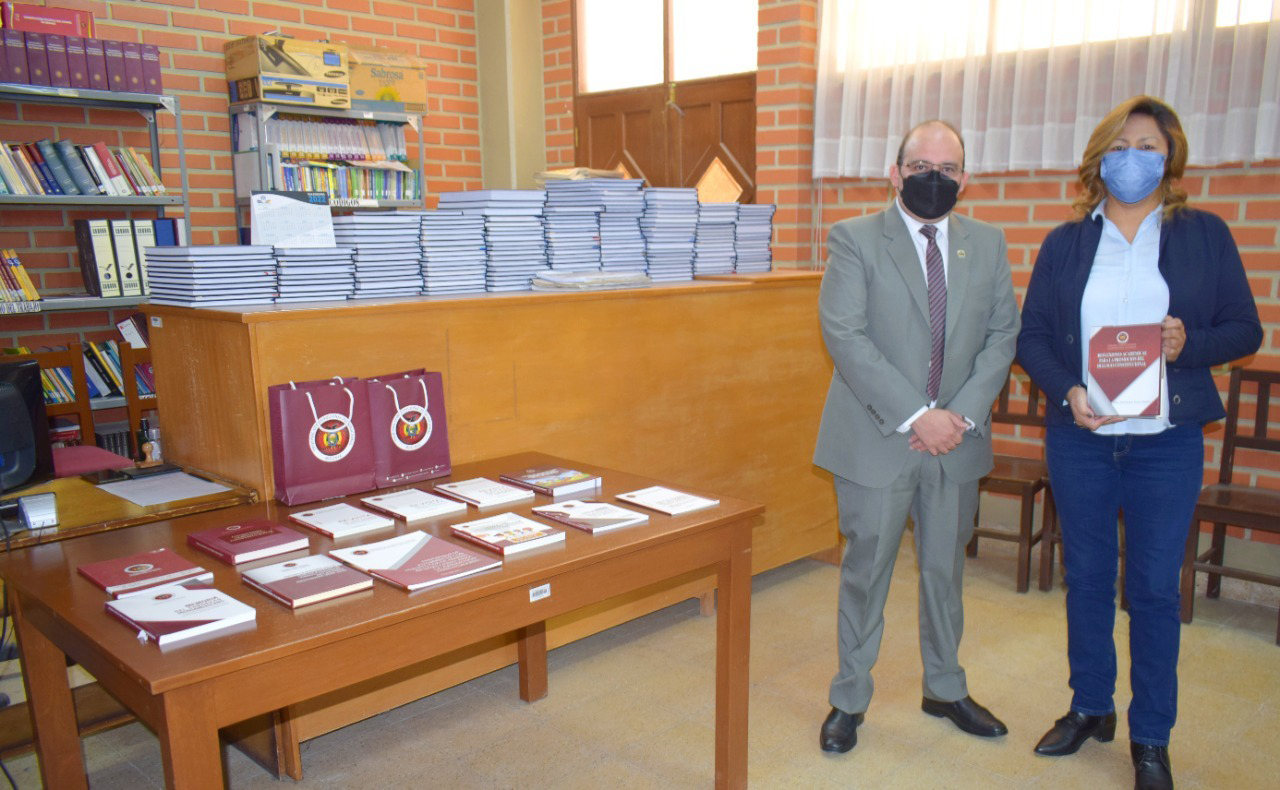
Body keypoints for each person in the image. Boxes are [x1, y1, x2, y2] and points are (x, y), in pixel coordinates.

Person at [1017, 96, 1262, 790]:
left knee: (1153, 590)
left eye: (1149, 146)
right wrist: (1067, 389)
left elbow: (1245, 329)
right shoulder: (1066, 242)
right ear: (1100, 159)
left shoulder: (1204, 235)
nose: (1134, 157)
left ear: (1170, 156)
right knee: (1088, 579)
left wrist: (1190, 344)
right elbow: (1032, 336)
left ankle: (1151, 735)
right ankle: (1090, 706)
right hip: (1083, 441)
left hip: (1165, 445)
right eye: (1121, 146)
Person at [813, 120, 1019, 753]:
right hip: (879, 436)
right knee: (866, 571)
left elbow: (1001, 336)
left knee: (944, 571)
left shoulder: (987, 243)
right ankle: (849, 698)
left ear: (966, 177)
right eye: (921, 165)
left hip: (957, 438)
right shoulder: (854, 238)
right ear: (895, 173)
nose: (935, 177)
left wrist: (958, 415)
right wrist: (916, 415)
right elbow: (844, 334)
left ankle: (945, 687)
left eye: (948, 168)